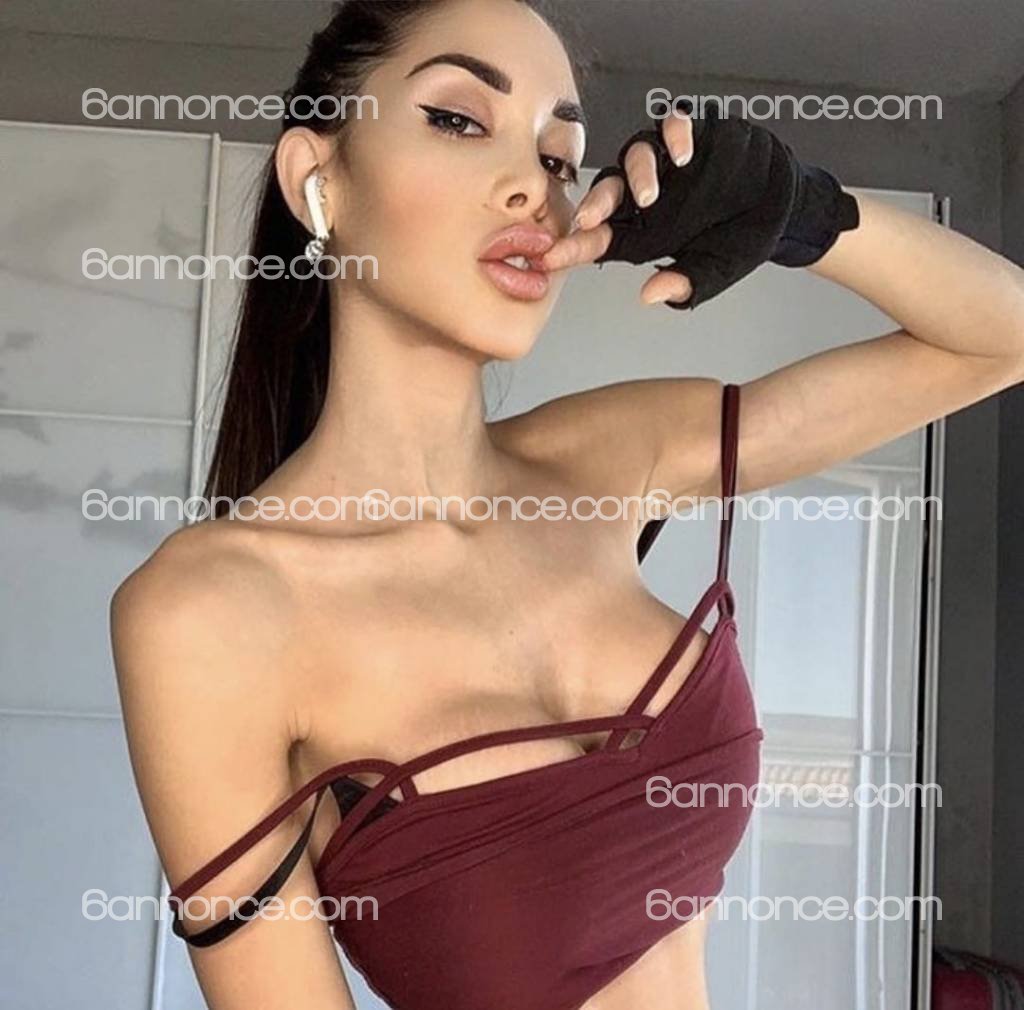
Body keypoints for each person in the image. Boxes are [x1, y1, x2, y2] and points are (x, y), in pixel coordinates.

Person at [109, 1, 1024, 1008]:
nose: (533, 188)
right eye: (458, 119)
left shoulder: (608, 457)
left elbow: (999, 338)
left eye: (558, 157)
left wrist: (800, 211)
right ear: (316, 179)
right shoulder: (212, 610)